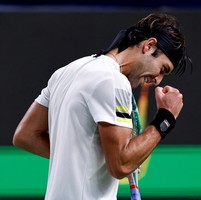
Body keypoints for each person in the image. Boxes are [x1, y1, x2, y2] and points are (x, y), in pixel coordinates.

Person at [13, 12, 191, 199]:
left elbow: (25, 136)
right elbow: (121, 165)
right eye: (162, 69)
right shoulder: (113, 81)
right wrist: (166, 118)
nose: (157, 80)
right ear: (149, 46)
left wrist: (92, 159)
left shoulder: (66, 71)